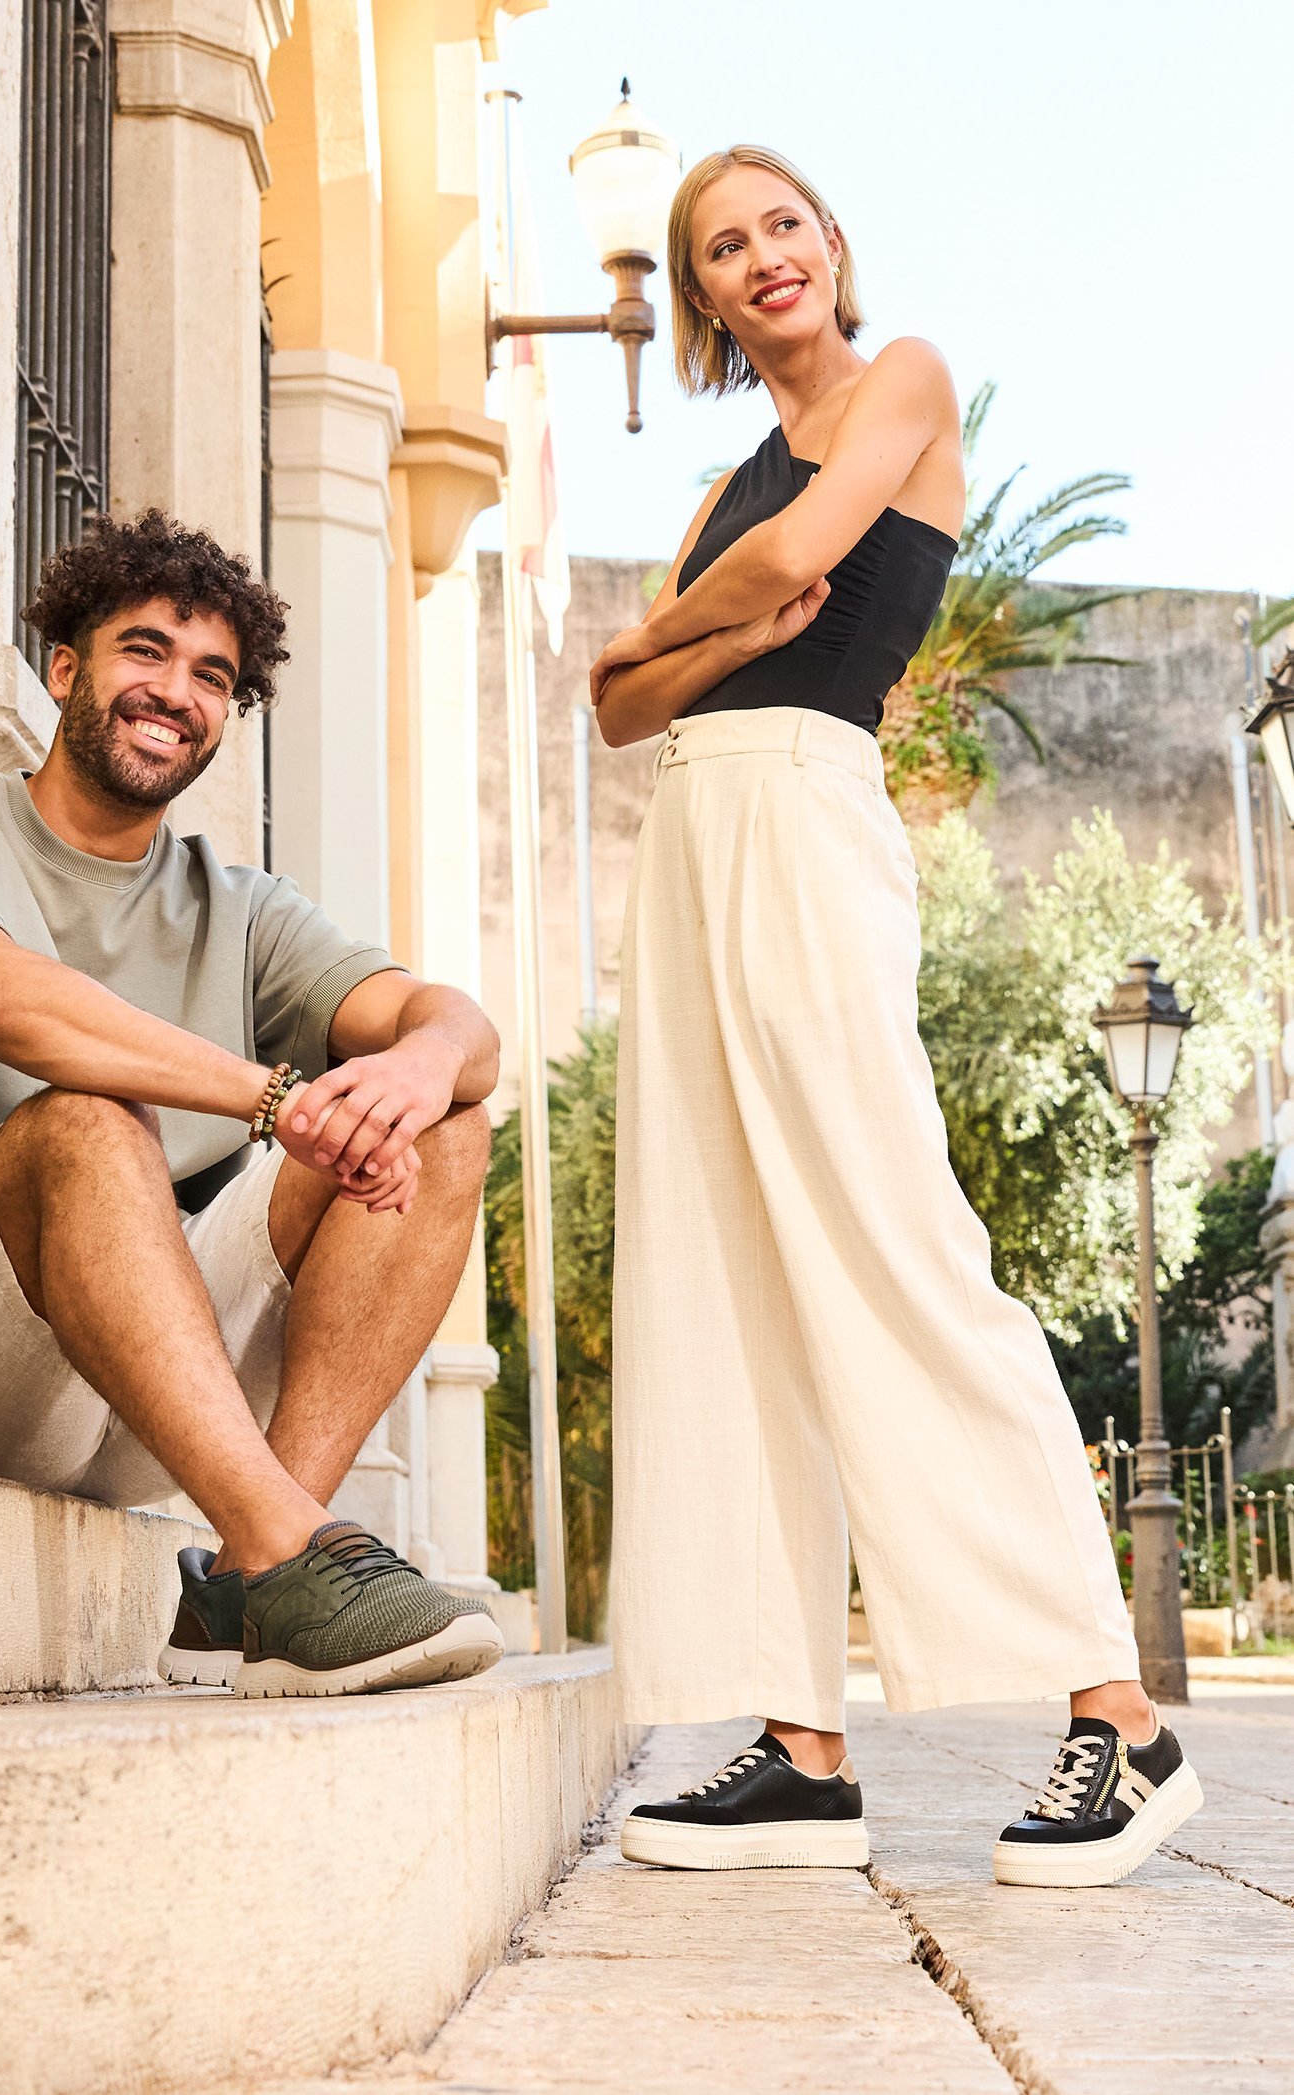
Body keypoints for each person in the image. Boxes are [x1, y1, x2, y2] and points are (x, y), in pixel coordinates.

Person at [588, 146, 1202, 1888]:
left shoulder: (904, 379)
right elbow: (623, 708)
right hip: (697, 824)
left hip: (800, 803)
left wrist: (675, 631)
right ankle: (796, 1746)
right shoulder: (726, 472)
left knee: (890, 1241)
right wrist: (707, 633)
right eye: (724, 245)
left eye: (782, 224)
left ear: (831, 246)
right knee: (721, 1272)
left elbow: (792, 565)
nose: (760, 255)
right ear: (703, 297)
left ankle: (1120, 1715)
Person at [0, 509, 505, 1700]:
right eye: (145, 650)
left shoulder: (241, 905)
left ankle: (246, 1574)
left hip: (140, 1368)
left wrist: (417, 1072)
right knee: (85, 1119)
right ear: (64, 667)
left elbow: (458, 1027)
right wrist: (277, 1098)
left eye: (211, 675)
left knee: (441, 1122)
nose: (174, 690)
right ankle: (291, 1549)